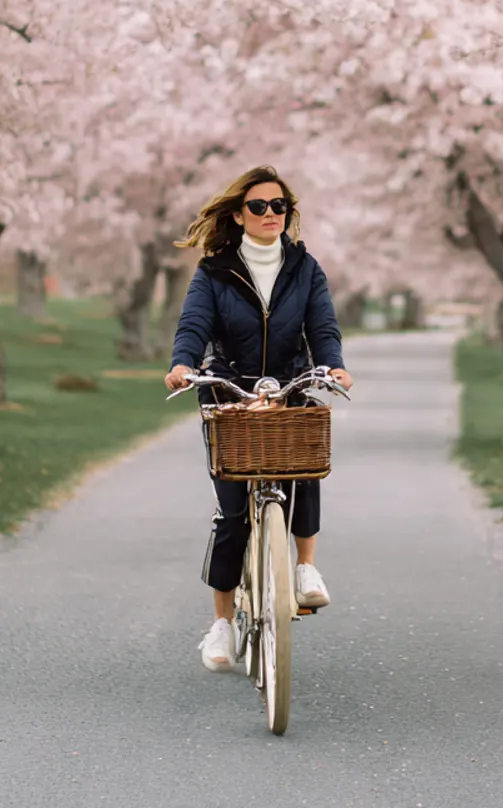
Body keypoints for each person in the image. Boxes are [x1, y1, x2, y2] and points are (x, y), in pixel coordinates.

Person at [164, 166, 354, 672]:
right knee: (232, 514)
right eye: (258, 206)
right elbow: (194, 325)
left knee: (304, 460)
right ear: (238, 214)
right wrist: (183, 365)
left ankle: (306, 568)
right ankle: (222, 623)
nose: (270, 214)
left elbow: (323, 325)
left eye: (279, 206)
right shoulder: (215, 270)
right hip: (229, 386)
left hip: (287, 381)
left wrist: (333, 364)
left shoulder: (305, 267)